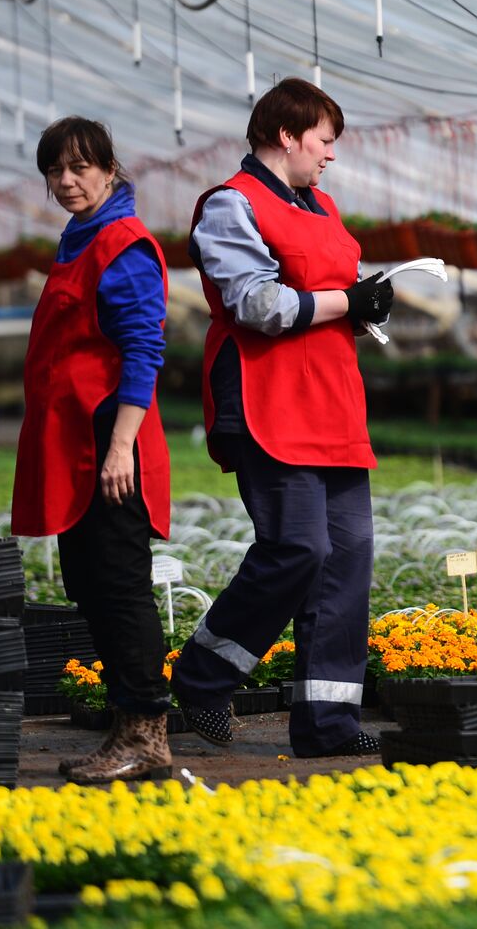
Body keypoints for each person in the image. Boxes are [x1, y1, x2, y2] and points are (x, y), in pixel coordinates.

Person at [170, 78, 393, 758]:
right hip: (267, 400)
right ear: (287, 135)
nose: (330, 155)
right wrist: (348, 301)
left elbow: (327, 295)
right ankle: (203, 676)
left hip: (331, 400)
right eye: (324, 141)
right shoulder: (230, 205)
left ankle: (328, 725)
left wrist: (364, 308)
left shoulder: (323, 206)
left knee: (347, 558)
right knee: (300, 548)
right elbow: (257, 305)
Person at [11, 117, 173, 782]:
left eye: (80, 167)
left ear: (110, 170)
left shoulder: (121, 244)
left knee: (119, 585)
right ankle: (124, 730)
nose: (66, 181)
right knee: (91, 585)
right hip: (76, 443)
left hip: (108, 444)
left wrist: (120, 449)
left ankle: (146, 735)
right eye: (55, 170)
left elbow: (143, 350)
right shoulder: (80, 239)